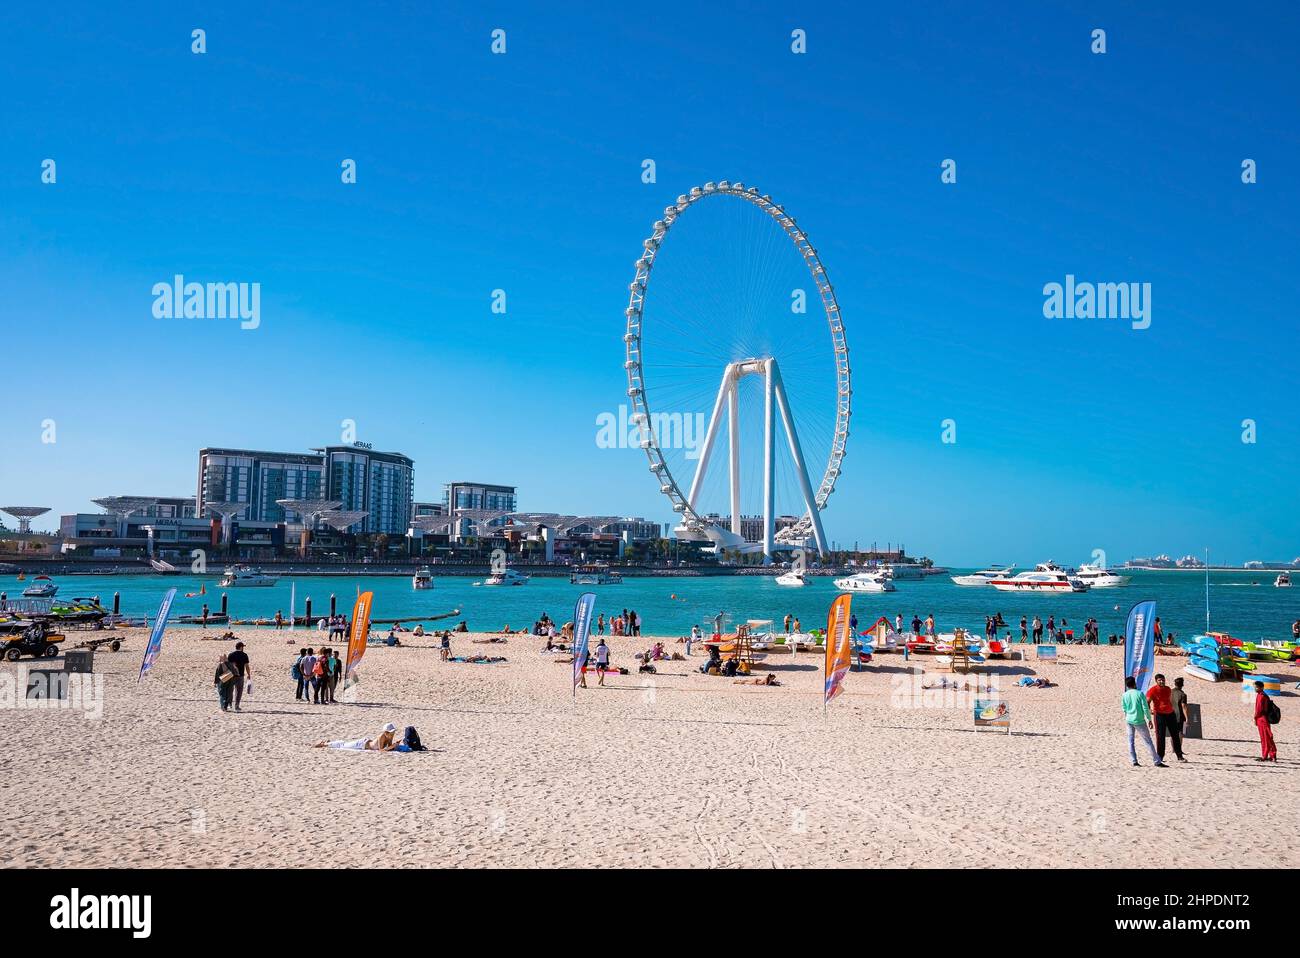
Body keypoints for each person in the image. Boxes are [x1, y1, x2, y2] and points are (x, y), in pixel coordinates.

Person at [1123, 676, 1165, 767]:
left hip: (1129, 720)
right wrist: (1149, 719)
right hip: (1139, 720)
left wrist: (1128, 717)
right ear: (1134, 684)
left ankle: (1134, 761)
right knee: (1148, 741)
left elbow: (1124, 708)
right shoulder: (1140, 693)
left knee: (1130, 741)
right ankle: (1156, 761)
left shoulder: (1125, 694)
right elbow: (1145, 708)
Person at [1146, 674, 1185, 762]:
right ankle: (1160, 757)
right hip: (1159, 715)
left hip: (1170, 714)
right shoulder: (1152, 690)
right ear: (1156, 681)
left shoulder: (1168, 689)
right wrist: (1150, 710)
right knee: (1161, 736)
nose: (1162, 681)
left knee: (1175, 735)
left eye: (1163, 680)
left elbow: (1169, 700)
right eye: (1160, 680)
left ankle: (1179, 756)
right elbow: (1147, 701)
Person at [313, 722, 402, 751]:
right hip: (361, 744)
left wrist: (394, 745)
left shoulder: (389, 736)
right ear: (386, 732)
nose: (393, 733)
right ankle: (325, 744)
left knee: (344, 744)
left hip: (366, 743)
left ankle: (329, 742)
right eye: (391, 732)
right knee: (343, 745)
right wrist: (393, 746)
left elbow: (389, 748)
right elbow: (381, 750)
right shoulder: (382, 736)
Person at [1253, 681, 1278, 762]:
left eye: (1257, 687)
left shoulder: (1261, 696)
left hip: (1262, 719)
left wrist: (1255, 718)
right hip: (1263, 719)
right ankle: (1272, 755)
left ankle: (1265, 756)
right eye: (1255, 687)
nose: (1255, 689)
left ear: (1261, 687)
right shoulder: (1262, 695)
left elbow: (1259, 709)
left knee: (1265, 738)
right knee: (1267, 737)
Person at [227, 641, 251, 712]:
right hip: (240, 675)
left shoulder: (231, 655)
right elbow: (247, 666)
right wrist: (249, 674)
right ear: (241, 647)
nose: (243, 648)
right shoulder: (244, 655)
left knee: (230, 690)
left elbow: (228, 665)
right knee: (239, 691)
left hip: (231, 675)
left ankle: (229, 704)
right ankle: (237, 706)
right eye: (243, 647)